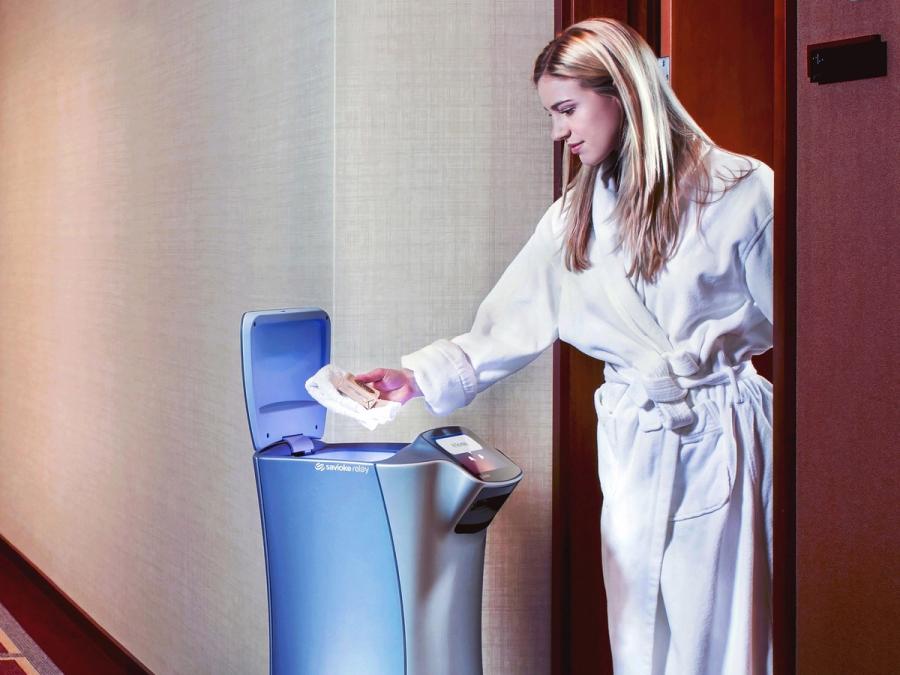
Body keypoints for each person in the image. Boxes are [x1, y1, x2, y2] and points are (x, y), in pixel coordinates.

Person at [357, 17, 773, 675]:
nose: (558, 132)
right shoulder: (575, 219)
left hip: (723, 433)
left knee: (727, 630)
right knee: (641, 631)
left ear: (623, 92)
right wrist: (412, 378)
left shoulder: (743, 191)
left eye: (566, 109)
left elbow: (813, 330)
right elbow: (503, 325)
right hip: (640, 444)